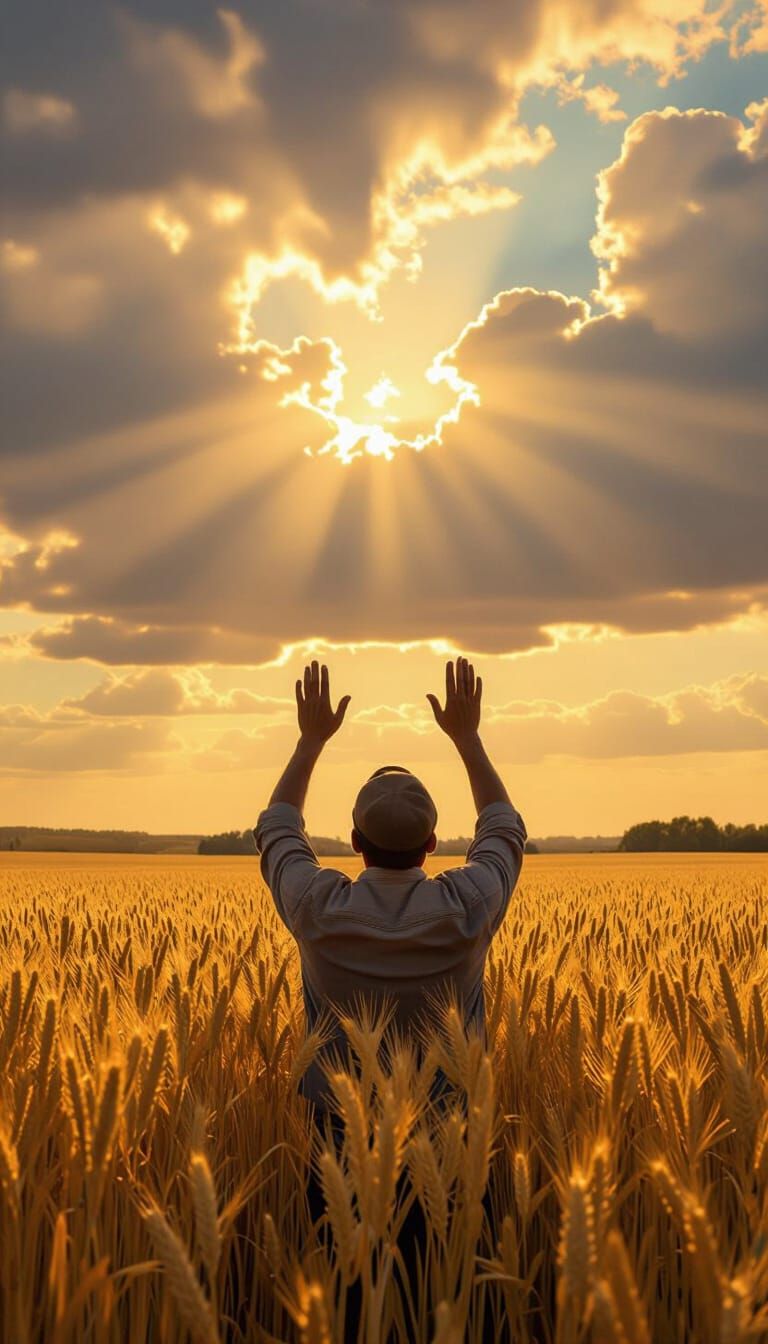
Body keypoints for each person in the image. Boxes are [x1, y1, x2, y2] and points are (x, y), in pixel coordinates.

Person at [253, 654, 526, 1111]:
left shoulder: (315, 906)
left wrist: (309, 742)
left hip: (339, 1142)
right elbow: (502, 828)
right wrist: (468, 739)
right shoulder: (471, 903)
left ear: (356, 841)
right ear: (432, 843)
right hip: (454, 1142)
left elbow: (278, 828)